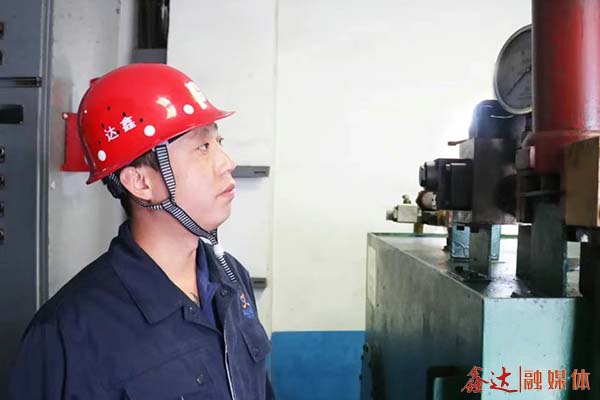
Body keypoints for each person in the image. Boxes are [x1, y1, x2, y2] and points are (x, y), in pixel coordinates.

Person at [8, 63, 274, 399]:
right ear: (141, 182)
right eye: (203, 147)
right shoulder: (68, 333)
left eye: (218, 141)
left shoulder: (230, 278)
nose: (227, 162)